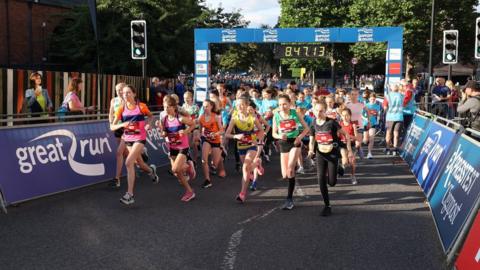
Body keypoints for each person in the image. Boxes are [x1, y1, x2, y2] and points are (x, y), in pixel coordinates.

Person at [110, 85, 158, 205]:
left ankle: (130, 195)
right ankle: (151, 171)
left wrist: (148, 124)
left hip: (139, 138)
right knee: (140, 164)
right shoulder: (121, 109)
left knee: (128, 162)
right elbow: (112, 127)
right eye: (124, 93)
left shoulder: (141, 106)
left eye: (128, 93)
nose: (125, 95)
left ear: (134, 94)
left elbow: (151, 116)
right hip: (127, 138)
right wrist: (122, 125)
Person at [308, 102, 353, 216]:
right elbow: (312, 139)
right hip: (320, 154)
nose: (318, 113)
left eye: (321, 111)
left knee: (332, 183)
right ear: (313, 111)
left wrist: (349, 150)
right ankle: (327, 206)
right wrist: (310, 150)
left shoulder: (332, 122)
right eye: (316, 110)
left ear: (325, 111)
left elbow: (346, 135)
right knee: (321, 179)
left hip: (332, 154)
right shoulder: (313, 123)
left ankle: (338, 168)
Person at [272, 94, 310, 210]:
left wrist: (300, 137)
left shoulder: (295, 113)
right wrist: (279, 135)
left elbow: (306, 128)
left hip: (295, 142)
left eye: (284, 104)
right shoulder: (276, 116)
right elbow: (274, 133)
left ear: (290, 104)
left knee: (290, 168)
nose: (282, 107)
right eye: (280, 105)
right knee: (285, 174)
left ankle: (289, 199)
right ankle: (292, 177)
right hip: (283, 143)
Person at [225, 96, 265, 203]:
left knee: (245, 166)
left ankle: (242, 193)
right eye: (238, 105)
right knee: (246, 170)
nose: (240, 107)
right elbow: (227, 134)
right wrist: (235, 136)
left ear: (247, 105)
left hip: (252, 145)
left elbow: (262, 131)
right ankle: (257, 163)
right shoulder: (234, 118)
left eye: (242, 104)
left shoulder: (253, 118)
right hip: (241, 146)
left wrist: (256, 139)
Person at [159, 95, 197, 202]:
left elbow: (193, 124)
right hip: (172, 147)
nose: (166, 109)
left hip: (182, 147)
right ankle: (189, 191)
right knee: (177, 173)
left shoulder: (180, 118)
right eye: (164, 107)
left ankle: (188, 167)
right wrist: (162, 132)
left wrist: (185, 132)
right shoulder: (164, 119)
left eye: (168, 107)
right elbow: (165, 133)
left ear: (174, 107)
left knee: (175, 169)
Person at [198, 99, 226, 188]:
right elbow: (199, 129)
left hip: (216, 141)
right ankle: (207, 180)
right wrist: (200, 136)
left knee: (215, 164)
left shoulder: (216, 117)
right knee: (204, 160)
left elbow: (222, 131)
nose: (205, 108)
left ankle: (221, 151)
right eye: (204, 106)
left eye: (207, 106)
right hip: (206, 140)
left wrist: (215, 134)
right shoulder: (201, 117)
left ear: (211, 107)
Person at [108, 82, 127, 188]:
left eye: (121, 89)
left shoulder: (127, 100)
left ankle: (117, 179)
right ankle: (147, 168)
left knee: (119, 152)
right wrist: (111, 123)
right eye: (117, 90)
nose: (119, 92)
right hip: (117, 128)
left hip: (126, 129)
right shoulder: (113, 100)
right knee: (124, 153)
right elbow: (111, 113)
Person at [383, 84, 405, 155]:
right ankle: (395, 149)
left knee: (389, 133)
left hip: (390, 117)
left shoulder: (388, 95)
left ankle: (388, 148)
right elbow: (404, 104)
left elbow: (385, 107)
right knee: (396, 133)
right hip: (399, 117)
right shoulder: (402, 95)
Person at [338, 108, 358, 184]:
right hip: (342, 144)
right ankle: (341, 168)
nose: (345, 117)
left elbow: (356, 137)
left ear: (350, 116)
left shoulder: (353, 125)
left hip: (352, 145)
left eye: (347, 115)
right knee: (345, 159)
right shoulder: (340, 125)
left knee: (352, 162)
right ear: (341, 116)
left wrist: (348, 136)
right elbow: (337, 136)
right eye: (343, 115)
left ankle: (353, 176)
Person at [362, 93, 381, 159]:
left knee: (372, 138)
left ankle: (369, 153)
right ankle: (365, 141)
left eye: (374, 99)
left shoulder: (377, 106)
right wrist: (366, 119)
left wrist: (378, 120)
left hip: (373, 124)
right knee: (365, 140)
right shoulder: (365, 106)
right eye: (371, 99)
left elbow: (378, 114)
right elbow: (361, 115)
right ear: (369, 99)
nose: (373, 100)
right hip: (365, 123)